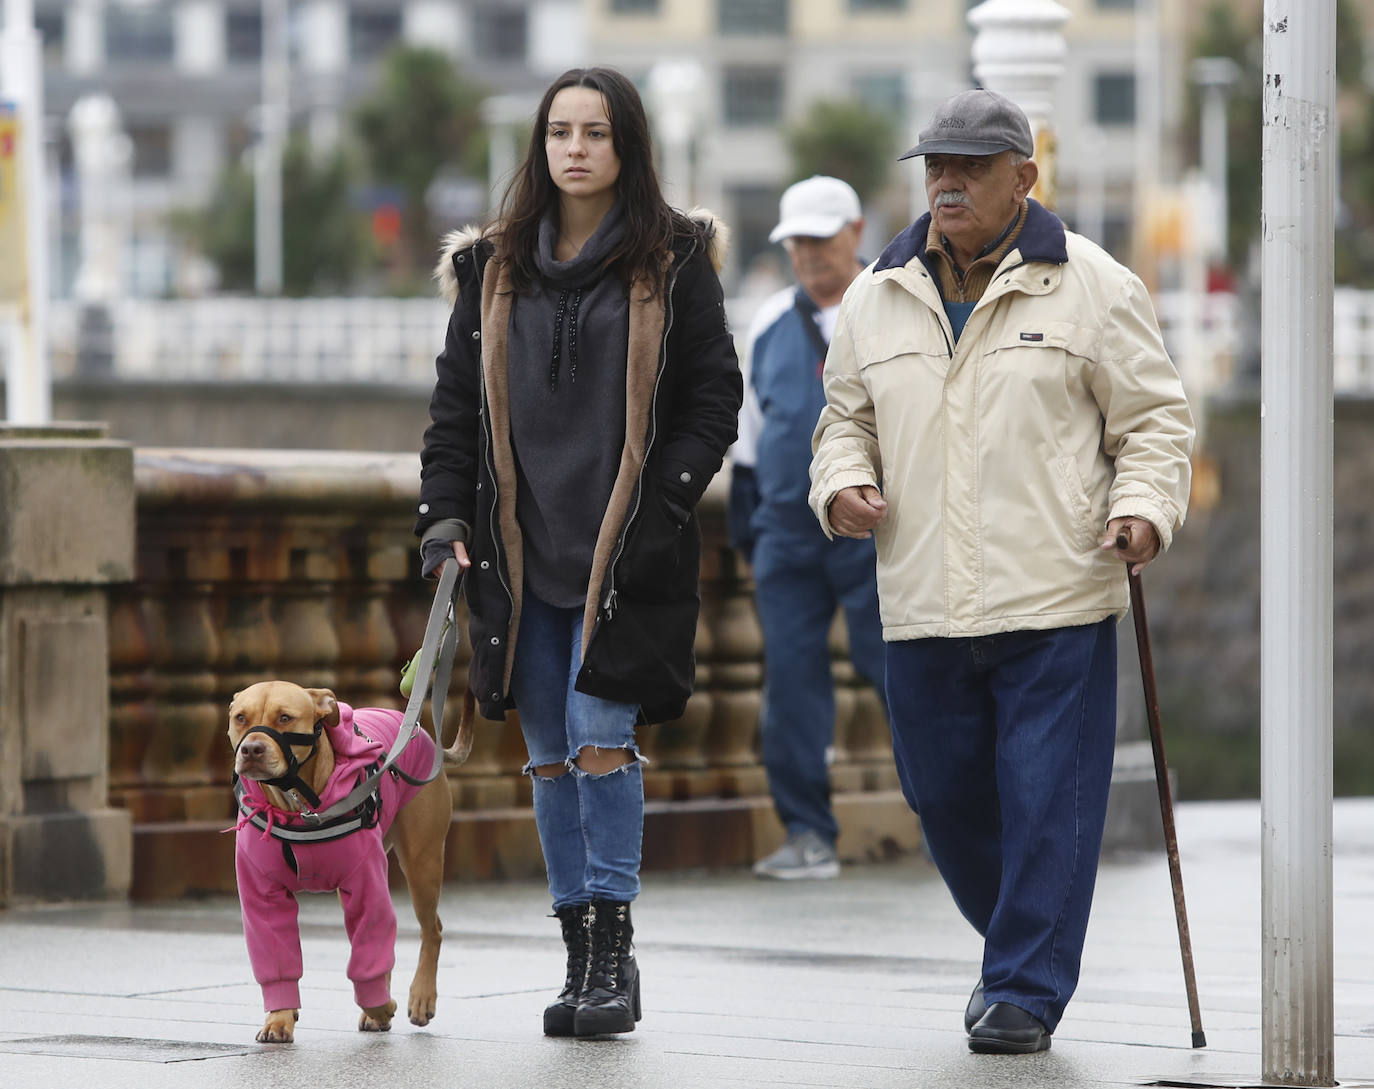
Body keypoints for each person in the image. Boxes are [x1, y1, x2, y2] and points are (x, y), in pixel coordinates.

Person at [809, 89, 1194, 1054]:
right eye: (936, 165)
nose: (947, 182)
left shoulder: (1097, 286)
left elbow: (1152, 422)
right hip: (923, 596)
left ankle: (1025, 981)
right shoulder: (873, 295)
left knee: (1044, 796)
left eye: (971, 167)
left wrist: (1144, 507)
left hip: (1055, 590)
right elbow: (843, 424)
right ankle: (1023, 942)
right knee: (941, 797)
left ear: (1024, 176)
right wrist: (844, 482)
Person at [414, 66, 741, 1038]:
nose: (576, 148)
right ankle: (577, 953)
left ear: (625, 146)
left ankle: (612, 952)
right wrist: (444, 519)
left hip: (623, 552)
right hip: (522, 553)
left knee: (604, 739)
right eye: (561, 130)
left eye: (596, 132)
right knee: (551, 755)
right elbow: (452, 415)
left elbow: (710, 399)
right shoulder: (489, 268)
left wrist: (668, 503)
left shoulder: (675, 259)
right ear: (541, 145)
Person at [729, 176, 885, 880]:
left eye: (821, 237)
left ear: (856, 231)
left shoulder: (893, 306)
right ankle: (806, 832)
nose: (809, 252)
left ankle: (954, 814)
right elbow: (752, 438)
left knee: (901, 673)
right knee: (789, 684)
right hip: (788, 531)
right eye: (797, 240)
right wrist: (750, 531)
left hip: (878, 528)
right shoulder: (766, 324)